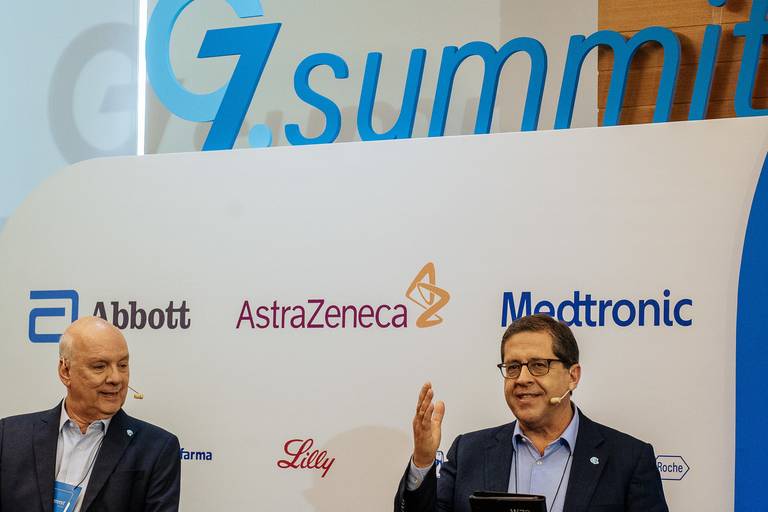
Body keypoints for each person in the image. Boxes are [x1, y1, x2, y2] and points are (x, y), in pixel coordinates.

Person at [395, 314, 668, 512]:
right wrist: (423, 459)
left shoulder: (628, 459)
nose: (522, 379)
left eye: (539, 365)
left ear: (573, 376)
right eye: (513, 367)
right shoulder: (468, 452)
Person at [0, 316, 181, 512]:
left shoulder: (157, 449)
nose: (116, 378)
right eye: (99, 366)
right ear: (65, 371)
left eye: (122, 365)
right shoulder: (8, 437)